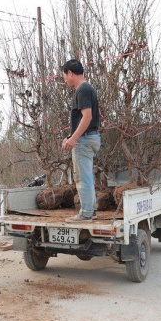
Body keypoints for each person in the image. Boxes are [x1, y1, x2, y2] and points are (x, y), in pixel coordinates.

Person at [60, 58, 101, 221]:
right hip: (89, 137)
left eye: (64, 76)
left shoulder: (82, 90)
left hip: (85, 140)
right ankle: (91, 209)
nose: (65, 80)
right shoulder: (87, 88)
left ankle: (86, 213)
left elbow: (87, 117)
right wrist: (70, 137)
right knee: (87, 176)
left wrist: (74, 139)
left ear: (70, 73)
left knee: (82, 178)